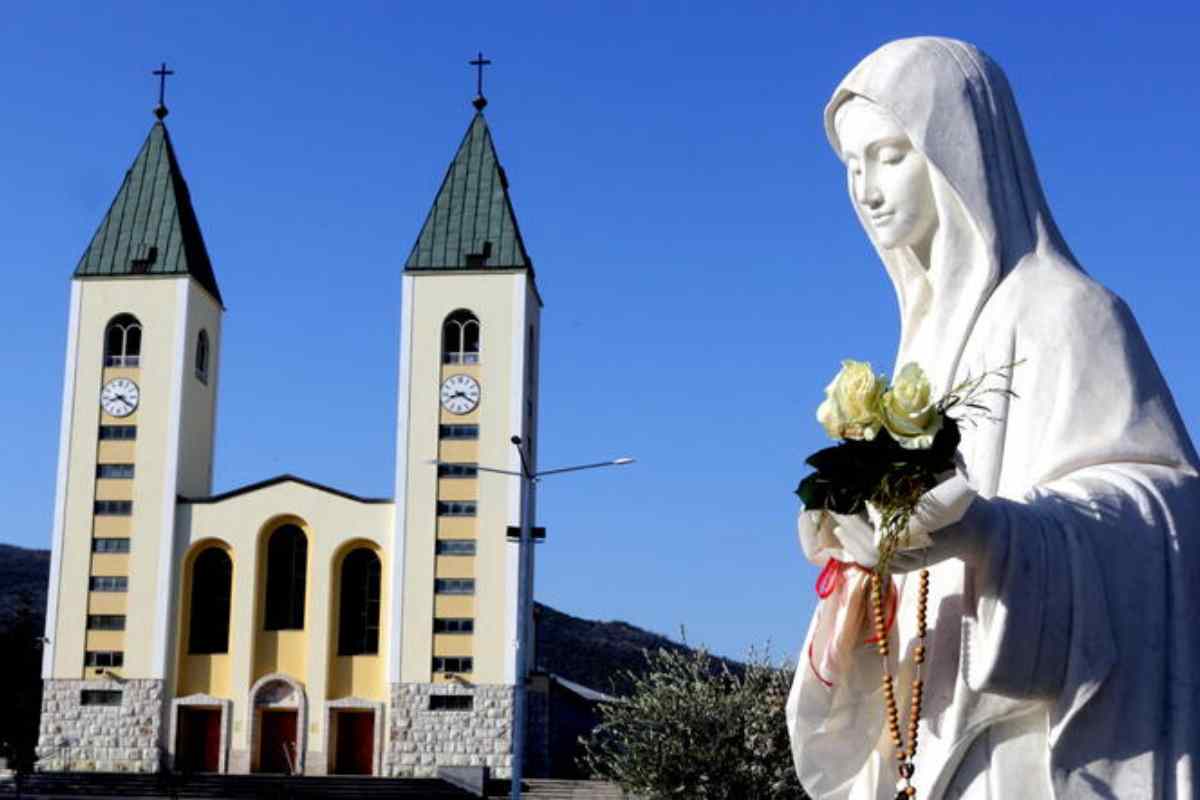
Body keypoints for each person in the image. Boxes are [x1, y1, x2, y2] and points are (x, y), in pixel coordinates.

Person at [787, 37, 1200, 799]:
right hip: (922, 726)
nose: (867, 192)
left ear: (959, 153)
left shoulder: (1070, 313)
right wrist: (858, 559)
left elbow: (1165, 514)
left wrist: (994, 536)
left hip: (1020, 739)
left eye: (889, 155)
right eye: (852, 168)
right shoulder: (920, 351)